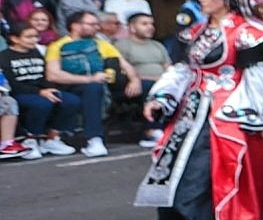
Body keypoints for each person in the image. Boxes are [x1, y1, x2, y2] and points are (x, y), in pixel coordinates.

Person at [135, 0, 263, 220]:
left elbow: (256, 75)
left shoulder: (249, 32)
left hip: (229, 110)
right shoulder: (194, 32)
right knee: (177, 162)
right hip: (192, 108)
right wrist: (161, 96)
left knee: (211, 167)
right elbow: (184, 69)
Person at [45, 9, 141, 157]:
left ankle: (152, 131)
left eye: (97, 24)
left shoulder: (101, 44)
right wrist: (89, 79)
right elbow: (53, 74)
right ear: (75, 26)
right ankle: (94, 138)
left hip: (100, 84)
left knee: (145, 87)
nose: (97, 27)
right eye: (92, 24)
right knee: (92, 87)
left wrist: (135, 80)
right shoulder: (57, 46)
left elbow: (124, 64)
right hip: (69, 85)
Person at [0, 23, 75, 155]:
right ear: (15, 38)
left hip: (42, 90)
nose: (34, 40)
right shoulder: (4, 57)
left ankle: (52, 139)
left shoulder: (36, 52)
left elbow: (45, 75)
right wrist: (39, 92)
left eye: (36, 36)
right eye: (29, 37)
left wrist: (49, 89)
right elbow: (12, 83)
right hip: (21, 93)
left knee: (71, 101)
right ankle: (31, 139)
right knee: (41, 104)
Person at [115, 12, 171, 148]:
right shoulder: (122, 45)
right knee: (150, 86)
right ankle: (151, 131)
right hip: (137, 85)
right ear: (132, 28)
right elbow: (121, 70)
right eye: (144, 24)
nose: (150, 27)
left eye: (151, 24)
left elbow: (169, 68)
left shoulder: (158, 45)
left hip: (162, 82)